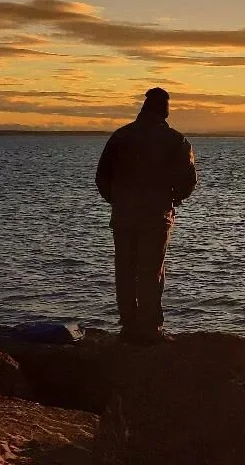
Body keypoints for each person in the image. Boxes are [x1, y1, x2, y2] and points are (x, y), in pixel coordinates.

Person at [95, 88, 197, 344]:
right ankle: (150, 329)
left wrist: (117, 200)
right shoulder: (175, 140)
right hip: (156, 213)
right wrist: (174, 198)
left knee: (125, 269)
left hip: (124, 214)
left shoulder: (120, 136)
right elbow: (189, 180)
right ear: (165, 109)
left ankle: (128, 326)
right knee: (152, 271)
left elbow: (101, 178)